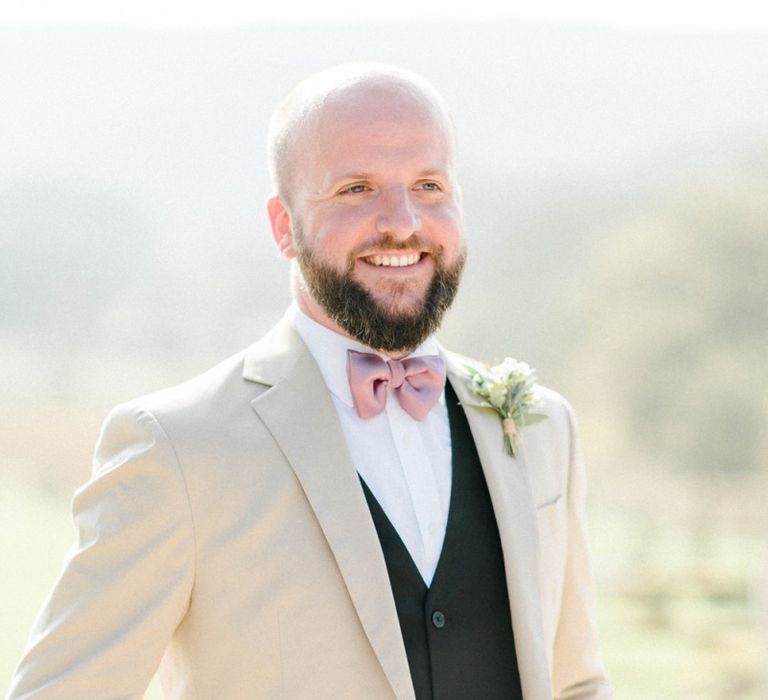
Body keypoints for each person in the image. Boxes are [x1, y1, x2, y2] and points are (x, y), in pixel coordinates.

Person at [7, 64, 612, 699]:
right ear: (282, 226)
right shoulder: (177, 449)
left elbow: (576, 683)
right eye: (357, 189)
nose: (403, 222)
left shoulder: (541, 427)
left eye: (429, 185)